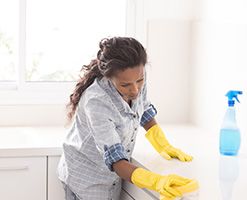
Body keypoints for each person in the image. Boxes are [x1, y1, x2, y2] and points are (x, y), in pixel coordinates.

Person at [57, 37, 198, 200]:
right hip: (86, 179)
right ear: (109, 77)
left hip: (112, 177)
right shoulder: (96, 102)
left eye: (140, 80)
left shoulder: (134, 76)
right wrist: (156, 181)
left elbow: (142, 109)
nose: (135, 89)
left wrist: (162, 143)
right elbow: (115, 160)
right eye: (126, 85)